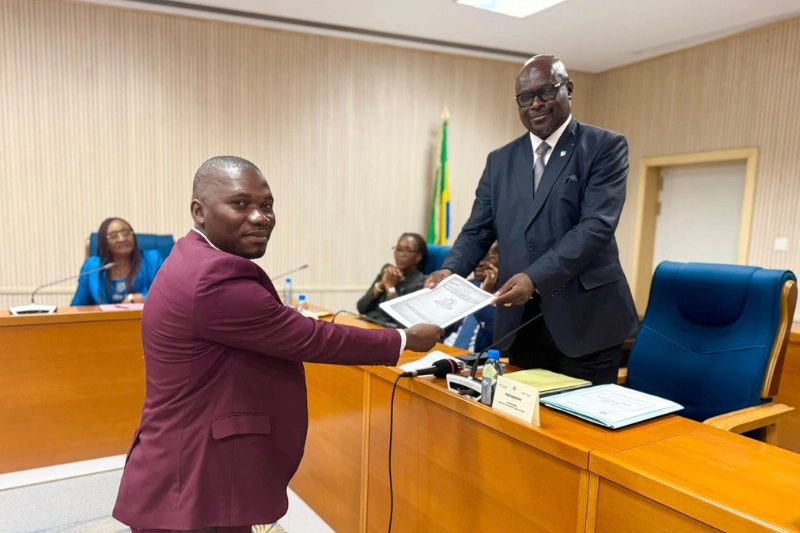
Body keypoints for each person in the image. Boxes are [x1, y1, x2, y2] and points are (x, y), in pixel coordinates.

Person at [112, 156, 442, 533]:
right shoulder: (214, 275)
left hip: (188, 463)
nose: (259, 217)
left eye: (266, 205)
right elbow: (308, 338)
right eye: (240, 204)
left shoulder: (194, 256)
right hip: (193, 477)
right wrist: (403, 339)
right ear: (199, 211)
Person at [426, 55, 638, 385]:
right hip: (521, 323)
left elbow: (596, 226)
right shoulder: (500, 161)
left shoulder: (604, 146)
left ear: (568, 88)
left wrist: (534, 277)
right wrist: (450, 269)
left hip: (587, 322)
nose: (535, 104)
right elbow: (478, 228)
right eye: (525, 98)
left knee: (580, 432)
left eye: (546, 92)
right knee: (523, 425)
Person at [70, 217, 163, 305]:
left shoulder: (152, 260)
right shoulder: (92, 267)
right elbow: (78, 307)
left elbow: (165, 294)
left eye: (126, 233)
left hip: (143, 319)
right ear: (104, 242)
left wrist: (140, 298)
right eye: (113, 236)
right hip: (106, 321)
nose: (122, 239)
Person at [356, 232, 427, 326]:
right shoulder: (388, 272)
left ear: (418, 257)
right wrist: (381, 285)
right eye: (398, 249)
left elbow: (405, 321)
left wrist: (390, 287)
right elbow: (361, 308)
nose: (401, 254)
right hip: (369, 325)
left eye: (407, 250)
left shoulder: (422, 283)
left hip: (390, 334)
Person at [442, 242, 500, 352]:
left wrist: (484, 298)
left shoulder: (508, 296)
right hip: (445, 349)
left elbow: (497, 343)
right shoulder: (465, 286)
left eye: (487, 257)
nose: (479, 263)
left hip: (474, 359)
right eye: (476, 258)